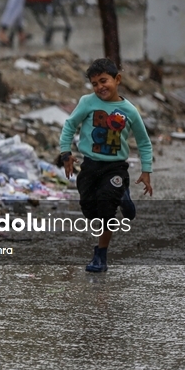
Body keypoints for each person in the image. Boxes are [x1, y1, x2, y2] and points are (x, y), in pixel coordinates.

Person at [59, 58, 153, 273]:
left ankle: (100, 255)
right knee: (89, 210)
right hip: (90, 166)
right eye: (95, 84)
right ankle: (122, 196)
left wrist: (146, 170)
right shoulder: (87, 102)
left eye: (104, 81)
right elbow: (70, 125)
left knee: (105, 211)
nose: (100, 87)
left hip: (115, 168)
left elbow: (144, 142)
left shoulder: (129, 110)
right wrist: (65, 153)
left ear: (117, 79)